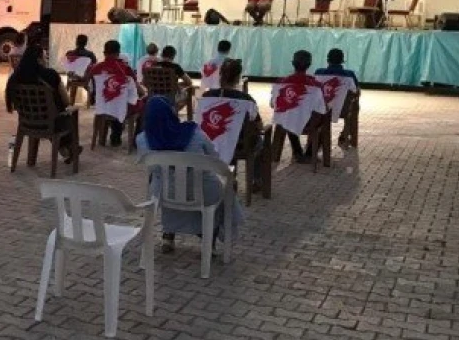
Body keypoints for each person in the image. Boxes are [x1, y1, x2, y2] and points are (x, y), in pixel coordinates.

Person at [135, 97, 244, 252]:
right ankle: (209, 239)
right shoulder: (195, 134)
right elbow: (215, 158)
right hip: (205, 192)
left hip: (164, 194)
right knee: (222, 189)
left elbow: (151, 168)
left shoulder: (142, 139)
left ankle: (168, 236)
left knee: (163, 180)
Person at [5, 44, 79, 162]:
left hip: (27, 121)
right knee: (66, 114)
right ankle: (70, 147)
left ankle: (66, 150)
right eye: (45, 57)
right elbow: (66, 101)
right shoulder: (50, 74)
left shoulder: (14, 78)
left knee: (47, 113)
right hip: (50, 122)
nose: (46, 60)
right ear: (39, 59)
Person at [202, 58, 268, 190]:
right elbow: (259, 126)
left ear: (220, 76)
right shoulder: (246, 99)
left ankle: (230, 177)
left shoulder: (207, 96)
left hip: (213, 141)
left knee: (226, 135)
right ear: (238, 78)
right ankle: (256, 180)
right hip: (241, 145)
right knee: (258, 141)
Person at [83, 40, 135, 146]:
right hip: (120, 107)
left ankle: (101, 138)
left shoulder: (94, 68)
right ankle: (118, 137)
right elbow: (132, 85)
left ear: (104, 52)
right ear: (118, 53)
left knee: (110, 104)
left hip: (101, 105)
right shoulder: (125, 68)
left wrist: (99, 95)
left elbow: (86, 84)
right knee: (128, 103)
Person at [279, 49, 323, 163]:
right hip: (311, 123)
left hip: (289, 121)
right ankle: (309, 153)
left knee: (288, 116)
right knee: (324, 121)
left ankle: (297, 151)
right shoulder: (317, 85)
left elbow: (274, 104)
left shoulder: (282, 83)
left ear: (293, 63)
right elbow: (322, 107)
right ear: (309, 65)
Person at [314, 48, 360, 148]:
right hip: (344, 110)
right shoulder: (350, 75)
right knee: (354, 105)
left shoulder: (318, 73)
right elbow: (356, 92)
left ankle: (317, 137)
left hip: (321, 109)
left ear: (327, 60)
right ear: (342, 60)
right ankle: (345, 134)